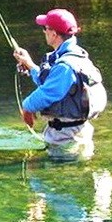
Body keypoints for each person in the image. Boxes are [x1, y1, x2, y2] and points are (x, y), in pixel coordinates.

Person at [13, 8, 105, 161]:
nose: (44, 32)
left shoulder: (65, 66)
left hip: (65, 137)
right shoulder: (74, 55)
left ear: (54, 33)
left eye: (45, 28)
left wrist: (27, 107)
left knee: (54, 178)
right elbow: (52, 82)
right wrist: (29, 64)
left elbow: (48, 93)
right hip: (74, 132)